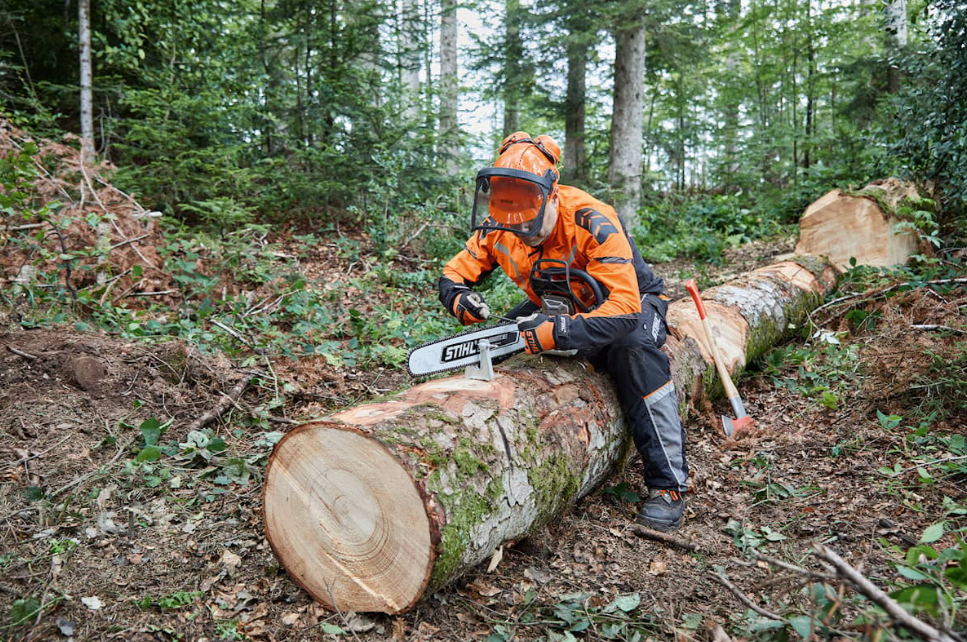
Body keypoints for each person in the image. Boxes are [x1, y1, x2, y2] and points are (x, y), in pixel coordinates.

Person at [437, 131, 690, 532]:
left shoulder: (592, 219)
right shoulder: (502, 222)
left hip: (631, 302)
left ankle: (668, 485)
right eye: (514, 230)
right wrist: (457, 296)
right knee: (504, 335)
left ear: (551, 197)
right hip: (560, 300)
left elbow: (623, 310)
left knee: (635, 351)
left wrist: (563, 334)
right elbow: (454, 272)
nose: (523, 237)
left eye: (531, 230)